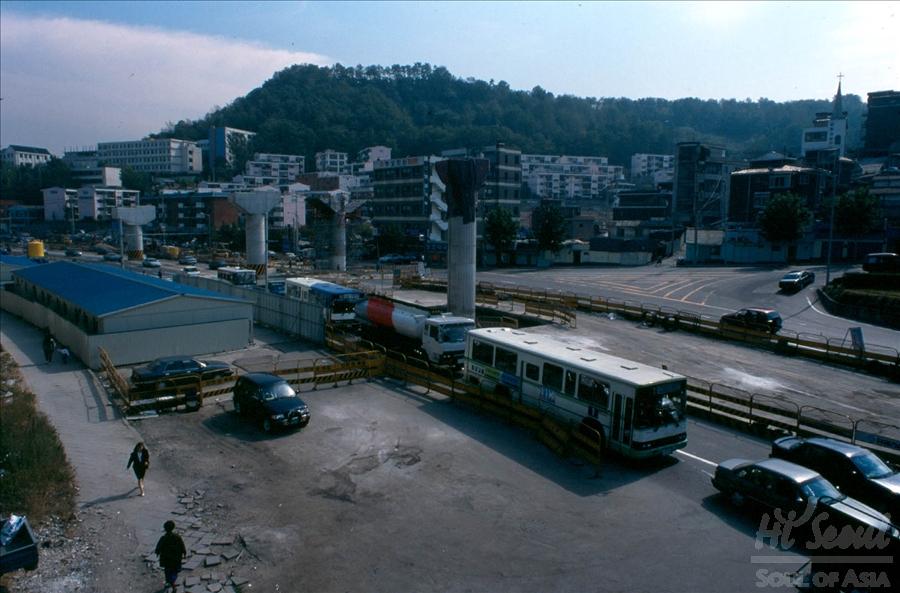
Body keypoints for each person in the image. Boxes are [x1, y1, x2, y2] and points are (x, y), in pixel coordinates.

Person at [154, 520, 187, 592]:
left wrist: (157, 552)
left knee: (167, 571)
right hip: (175, 558)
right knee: (174, 571)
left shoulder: (164, 538)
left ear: (165, 528)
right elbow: (182, 545)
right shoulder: (177, 537)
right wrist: (184, 552)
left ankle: (170, 582)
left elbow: (159, 547)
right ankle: (172, 582)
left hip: (167, 559)